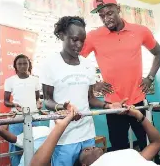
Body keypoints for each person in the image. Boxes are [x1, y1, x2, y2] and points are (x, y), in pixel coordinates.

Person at [80, 0, 160, 163]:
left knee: (150, 147)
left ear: (118, 9)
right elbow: (77, 61)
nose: (106, 19)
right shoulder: (93, 36)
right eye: (102, 15)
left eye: (109, 13)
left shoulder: (140, 30)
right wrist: (94, 83)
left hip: (139, 102)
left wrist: (150, 77)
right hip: (112, 105)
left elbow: (158, 53)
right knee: (119, 149)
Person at [40, 16, 127, 166]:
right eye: (74, 39)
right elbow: (47, 100)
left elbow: (90, 99)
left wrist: (108, 105)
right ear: (62, 35)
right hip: (63, 136)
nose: (79, 45)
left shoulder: (87, 65)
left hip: (87, 133)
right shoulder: (50, 63)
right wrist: (63, 107)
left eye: (82, 40)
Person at [30, 106, 160, 166]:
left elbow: (157, 142)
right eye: (85, 150)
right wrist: (60, 127)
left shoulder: (128, 154)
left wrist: (139, 116)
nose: (90, 147)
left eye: (87, 148)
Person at [4, 54, 42, 166]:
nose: (22, 66)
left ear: (29, 64)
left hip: (34, 117)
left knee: (36, 145)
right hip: (17, 119)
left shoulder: (35, 80)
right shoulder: (10, 81)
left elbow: (37, 98)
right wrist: (14, 105)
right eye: (19, 64)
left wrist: (38, 103)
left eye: (25, 63)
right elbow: (6, 101)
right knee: (15, 148)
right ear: (15, 66)